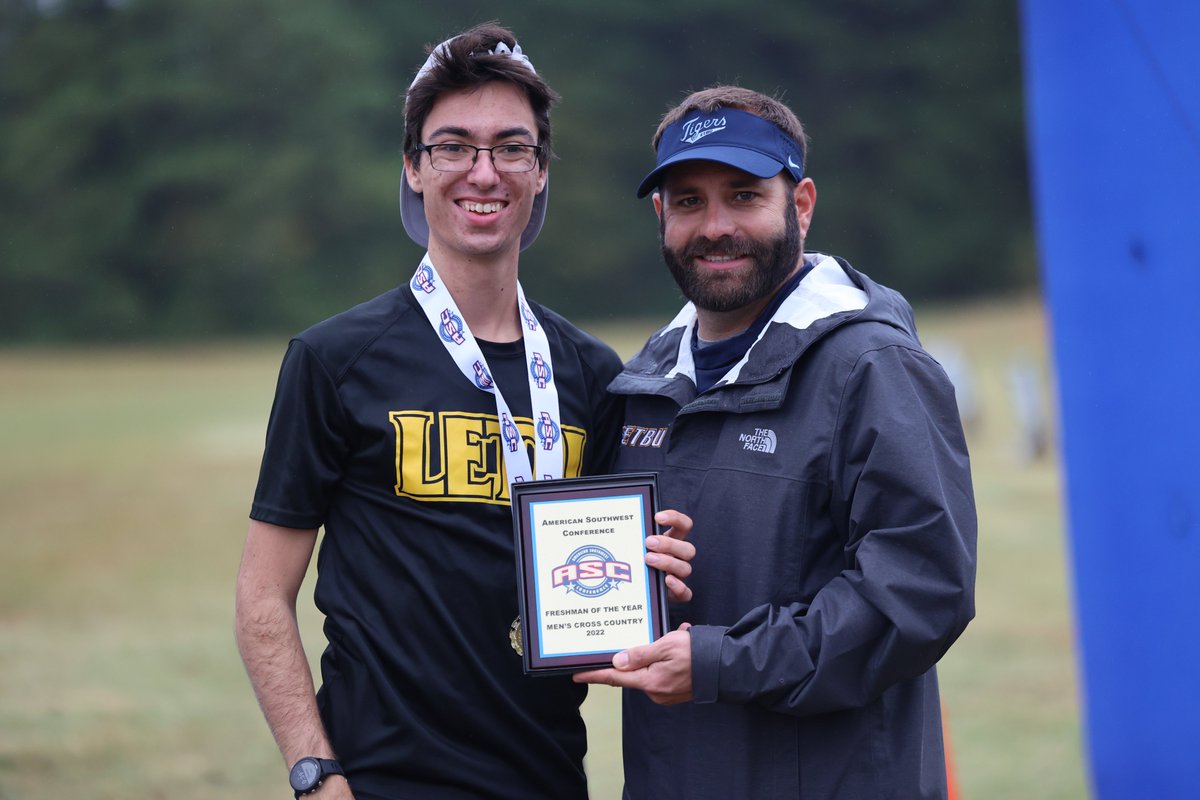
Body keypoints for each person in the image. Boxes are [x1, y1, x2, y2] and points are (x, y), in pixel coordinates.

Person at [234, 24, 693, 800]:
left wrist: (660, 565)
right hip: (383, 783)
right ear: (414, 169)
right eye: (454, 146)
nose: (484, 172)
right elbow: (260, 597)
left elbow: (618, 584)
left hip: (548, 778)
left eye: (511, 148)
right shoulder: (334, 359)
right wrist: (317, 775)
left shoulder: (590, 372)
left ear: (541, 173)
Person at [575, 86, 978, 799]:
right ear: (661, 216)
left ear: (801, 204)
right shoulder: (643, 382)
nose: (716, 225)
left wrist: (723, 663)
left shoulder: (871, 367)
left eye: (744, 195)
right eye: (689, 201)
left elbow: (920, 593)